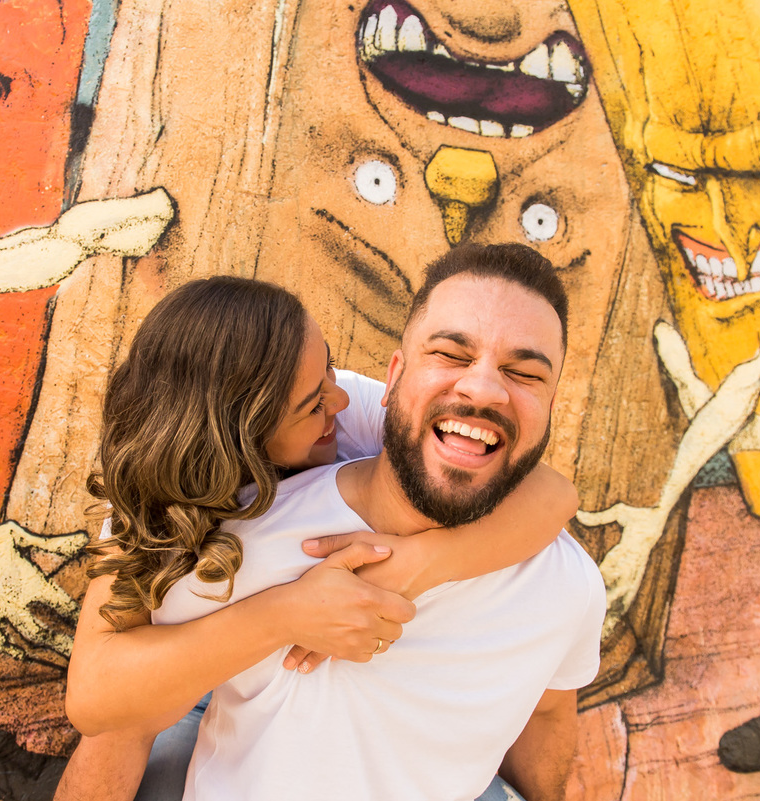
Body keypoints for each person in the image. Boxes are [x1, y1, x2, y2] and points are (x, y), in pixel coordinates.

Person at [61, 267, 582, 800]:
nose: (339, 399)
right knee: (128, 722)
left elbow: (554, 494)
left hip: (308, 684)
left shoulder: (342, 403)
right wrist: (288, 613)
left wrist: (422, 564)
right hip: (195, 656)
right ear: (246, 437)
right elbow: (96, 698)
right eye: (313, 404)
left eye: (329, 366)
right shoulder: (157, 500)